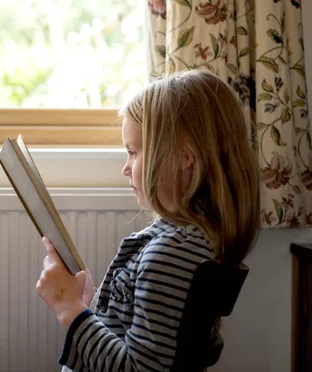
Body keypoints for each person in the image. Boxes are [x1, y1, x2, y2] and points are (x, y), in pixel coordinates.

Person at [36, 69, 260, 371]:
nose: (125, 168)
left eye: (133, 152)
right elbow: (131, 335)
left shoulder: (171, 253)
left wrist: (69, 308)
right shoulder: (185, 241)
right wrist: (90, 304)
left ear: (184, 157)